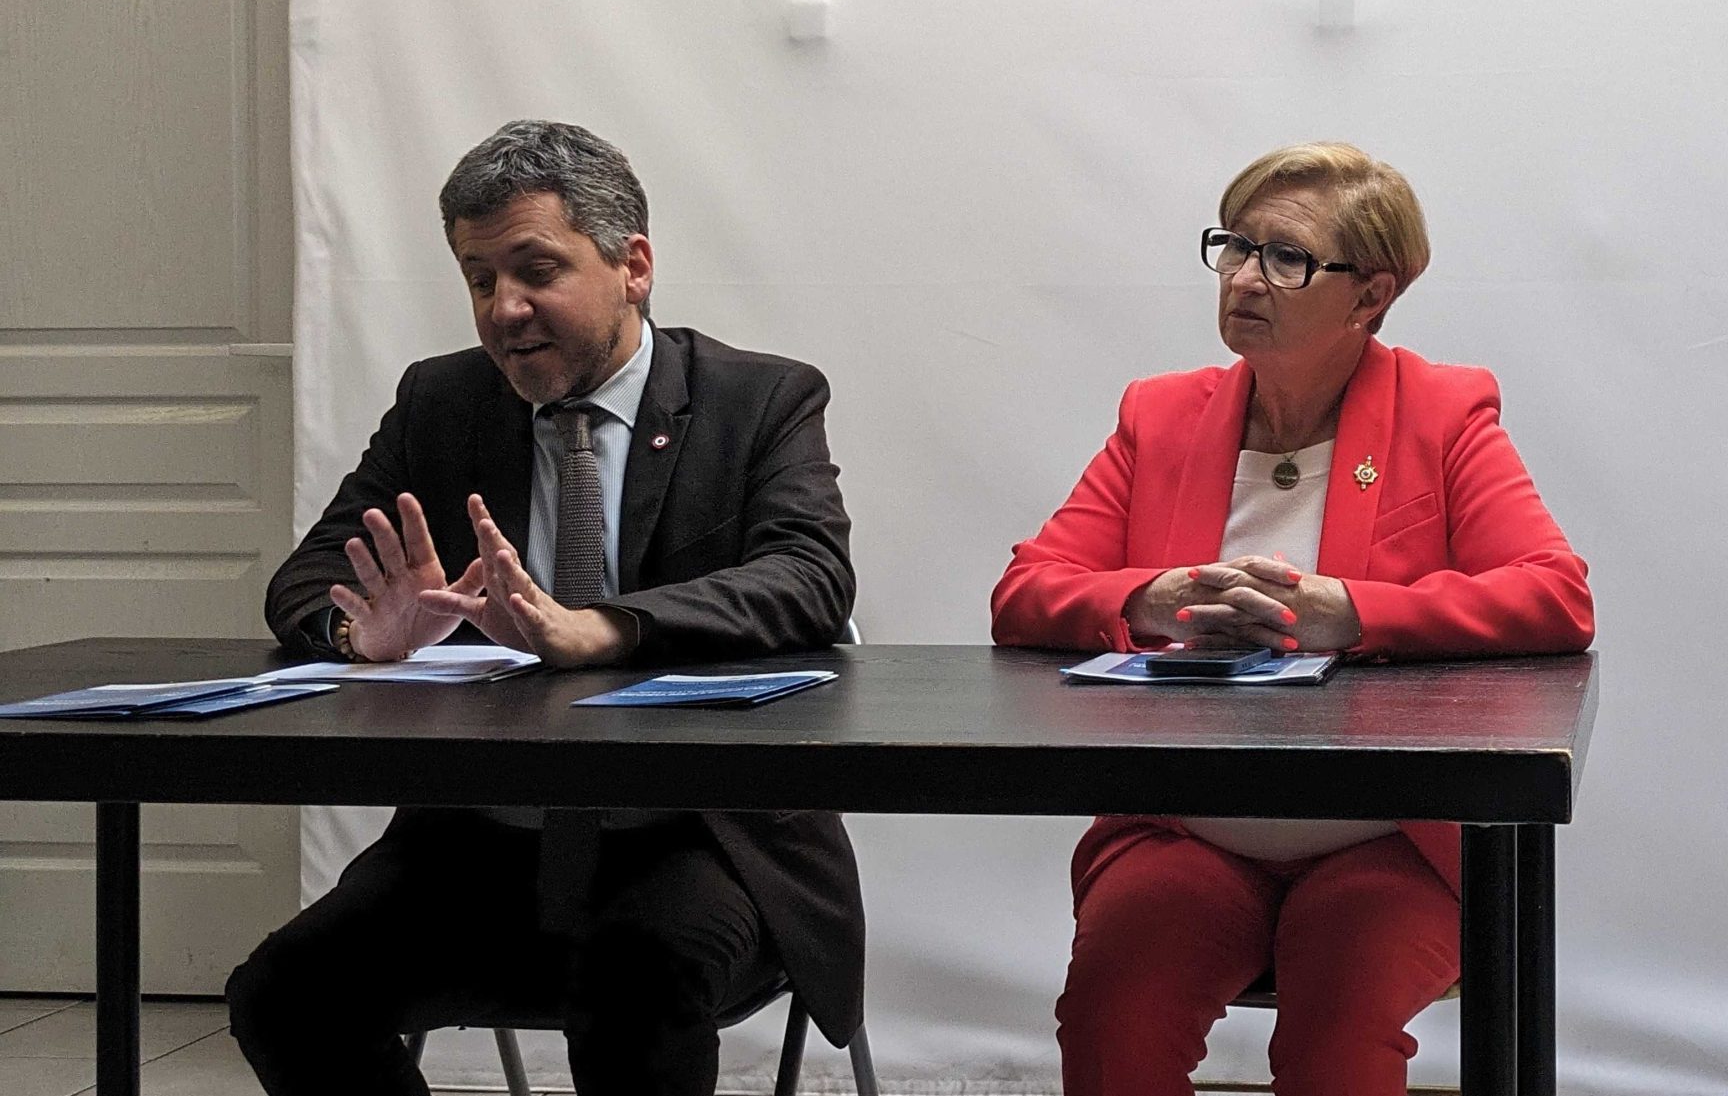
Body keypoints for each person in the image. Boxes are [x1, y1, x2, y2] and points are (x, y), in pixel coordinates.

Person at [227, 121, 864, 1096]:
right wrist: (364, 630)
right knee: (284, 990)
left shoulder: (758, 399)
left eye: (536, 270)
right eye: (480, 280)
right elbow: (307, 581)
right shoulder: (444, 403)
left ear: (633, 265)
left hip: (701, 831)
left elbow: (810, 576)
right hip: (482, 840)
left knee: (635, 973)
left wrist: (605, 628)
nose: (505, 309)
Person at [991, 142, 1594, 1095]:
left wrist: (1344, 610)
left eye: (1285, 256)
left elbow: (1555, 593)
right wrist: (1151, 596)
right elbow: (1026, 590)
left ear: (1370, 295)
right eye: (1232, 246)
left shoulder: (1442, 411)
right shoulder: (1162, 414)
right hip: (1188, 827)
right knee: (1112, 1024)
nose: (1242, 276)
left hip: (1387, 838)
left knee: (1335, 1050)